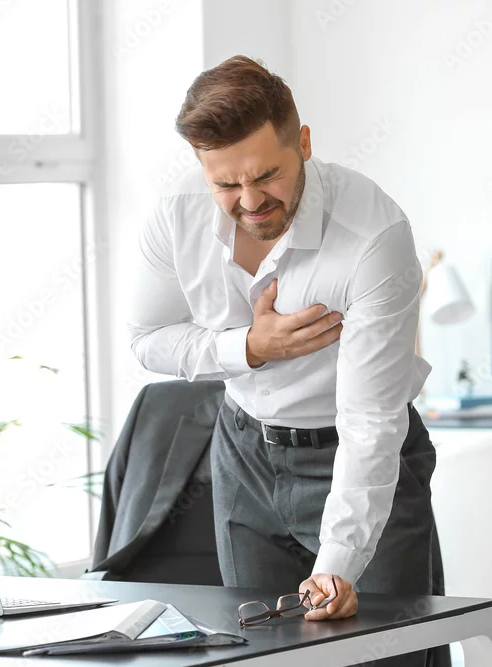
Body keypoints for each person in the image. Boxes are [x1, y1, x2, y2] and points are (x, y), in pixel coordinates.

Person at [128, 55, 446, 666]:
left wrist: (338, 563)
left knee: (389, 655)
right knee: (262, 655)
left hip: (354, 454)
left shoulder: (372, 235)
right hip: (244, 453)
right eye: (225, 185)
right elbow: (148, 338)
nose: (249, 201)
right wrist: (250, 347)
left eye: (266, 175)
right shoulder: (176, 214)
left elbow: (370, 420)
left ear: (302, 143)